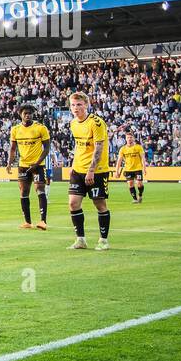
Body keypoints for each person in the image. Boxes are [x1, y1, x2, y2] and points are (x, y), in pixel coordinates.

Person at [66, 92, 111, 251]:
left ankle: (103, 240)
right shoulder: (73, 123)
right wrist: (73, 165)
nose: (76, 108)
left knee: (99, 204)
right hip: (78, 169)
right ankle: (81, 240)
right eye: (73, 105)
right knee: (73, 203)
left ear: (86, 105)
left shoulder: (96, 123)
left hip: (96, 170)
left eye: (79, 104)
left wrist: (91, 170)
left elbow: (99, 147)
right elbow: (79, 146)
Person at [7, 105, 50, 229]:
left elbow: (46, 148)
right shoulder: (15, 130)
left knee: (40, 189)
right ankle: (28, 222)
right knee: (23, 191)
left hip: (38, 165)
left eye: (30, 113)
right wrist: (9, 163)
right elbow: (13, 148)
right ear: (20, 114)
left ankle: (43, 221)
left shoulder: (41, 128)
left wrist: (37, 163)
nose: (28, 115)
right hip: (23, 166)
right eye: (25, 113)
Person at [114, 132, 147, 204]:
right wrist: (116, 171)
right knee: (130, 184)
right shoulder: (122, 149)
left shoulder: (138, 147)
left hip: (138, 168)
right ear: (125, 139)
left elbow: (143, 158)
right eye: (128, 138)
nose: (129, 139)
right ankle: (135, 199)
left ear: (133, 138)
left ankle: (140, 195)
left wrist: (144, 168)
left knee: (139, 183)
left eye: (130, 137)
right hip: (128, 169)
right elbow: (119, 161)